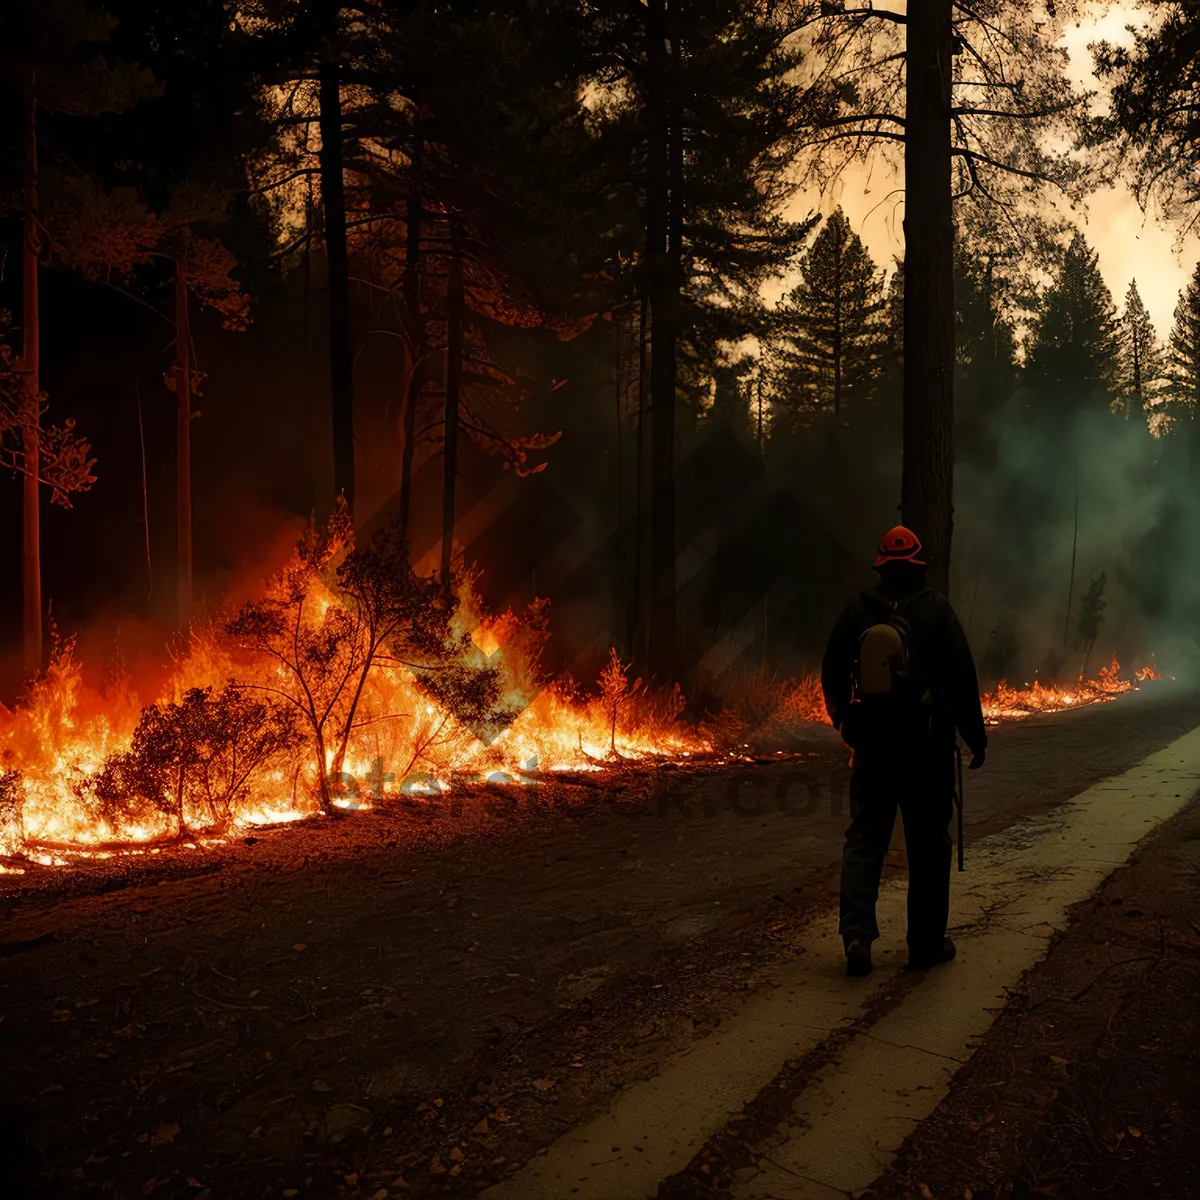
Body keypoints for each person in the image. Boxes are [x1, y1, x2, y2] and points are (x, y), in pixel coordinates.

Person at [821, 525, 987, 977]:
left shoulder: (857, 610)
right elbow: (962, 680)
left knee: (865, 842)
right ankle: (927, 946)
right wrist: (976, 737)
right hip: (926, 750)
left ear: (881, 565)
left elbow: (832, 673)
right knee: (929, 847)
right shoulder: (937, 611)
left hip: (873, 750)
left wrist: (845, 725)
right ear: (918, 567)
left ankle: (857, 937)